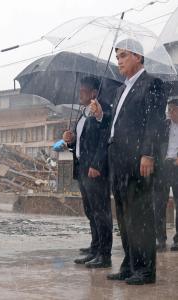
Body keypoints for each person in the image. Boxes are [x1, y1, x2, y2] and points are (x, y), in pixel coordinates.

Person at [90, 39, 167, 285]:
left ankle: (145, 270)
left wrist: (148, 153)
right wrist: (100, 114)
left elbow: (154, 122)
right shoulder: (120, 90)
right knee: (123, 215)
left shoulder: (152, 84)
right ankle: (130, 264)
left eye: (123, 56)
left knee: (139, 215)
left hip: (138, 159)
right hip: (119, 160)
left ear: (138, 57)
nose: (119, 61)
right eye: (118, 57)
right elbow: (116, 125)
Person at [63, 76, 112, 268]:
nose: (79, 94)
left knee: (102, 212)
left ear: (93, 92)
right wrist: (71, 140)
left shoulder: (104, 109)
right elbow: (82, 142)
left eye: (83, 91)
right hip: (82, 168)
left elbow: (105, 140)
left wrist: (97, 164)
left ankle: (104, 254)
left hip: (95, 169)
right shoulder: (83, 114)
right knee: (91, 211)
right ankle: (95, 247)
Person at [154, 96, 178, 252]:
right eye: (169, 110)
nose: (170, 113)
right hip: (163, 167)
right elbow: (155, 143)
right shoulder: (164, 125)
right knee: (159, 203)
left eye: (173, 110)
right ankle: (160, 239)